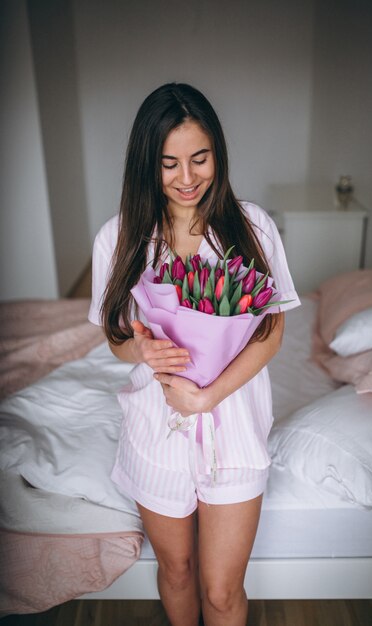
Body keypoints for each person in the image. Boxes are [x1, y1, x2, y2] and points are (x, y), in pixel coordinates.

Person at [88, 83, 300, 626]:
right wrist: (140, 347)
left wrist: (208, 397)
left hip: (233, 425)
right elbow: (114, 336)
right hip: (155, 429)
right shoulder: (119, 238)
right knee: (177, 571)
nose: (187, 178)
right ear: (146, 165)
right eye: (169, 163)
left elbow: (270, 333)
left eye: (200, 159)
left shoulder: (251, 227)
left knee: (224, 593)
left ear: (218, 154)